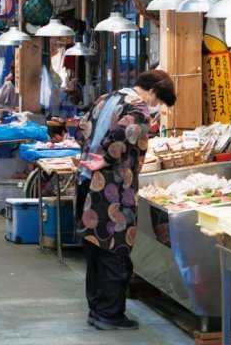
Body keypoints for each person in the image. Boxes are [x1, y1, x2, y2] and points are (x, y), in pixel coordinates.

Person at [75, 69, 176, 331]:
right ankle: (110, 314)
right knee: (115, 249)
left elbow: (80, 129)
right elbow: (122, 136)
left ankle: (96, 310)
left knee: (95, 249)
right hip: (112, 188)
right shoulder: (140, 108)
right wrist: (107, 158)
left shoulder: (107, 97)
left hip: (85, 181)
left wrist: (92, 154)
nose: (157, 107)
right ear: (153, 92)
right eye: (160, 101)